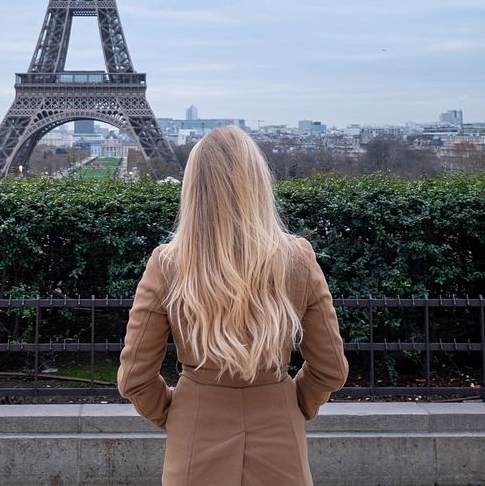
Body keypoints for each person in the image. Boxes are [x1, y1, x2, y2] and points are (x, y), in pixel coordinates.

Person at [117, 125, 348, 486]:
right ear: (258, 184)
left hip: (195, 431)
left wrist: (177, 414)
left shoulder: (167, 264)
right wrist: (292, 403)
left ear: (193, 190)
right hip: (279, 433)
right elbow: (331, 368)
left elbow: (135, 378)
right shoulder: (298, 259)